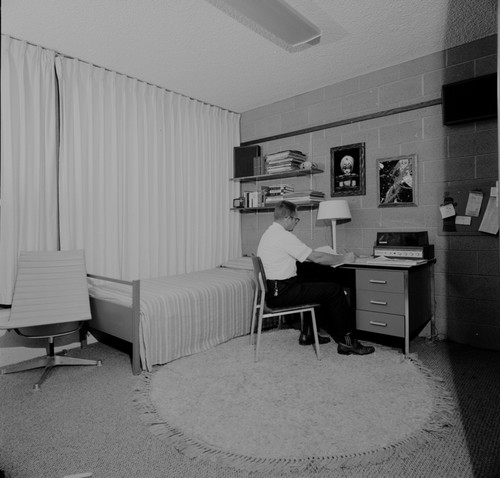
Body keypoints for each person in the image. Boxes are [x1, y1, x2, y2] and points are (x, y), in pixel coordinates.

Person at [257, 200, 375, 356]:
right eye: (295, 219)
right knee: (334, 290)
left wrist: (319, 257)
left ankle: (308, 334)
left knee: (311, 278)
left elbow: (305, 256)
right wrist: (342, 258)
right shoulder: (283, 236)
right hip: (282, 292)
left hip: (275, 291)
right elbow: (317, 257)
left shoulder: (269, 234)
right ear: (287, 218)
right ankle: (348, 342)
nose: (296, 223)